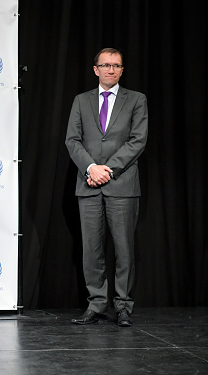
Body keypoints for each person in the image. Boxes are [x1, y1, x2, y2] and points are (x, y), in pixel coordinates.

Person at [65, 48, 148, 327]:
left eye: (116, 66)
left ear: (122, 70)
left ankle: (123, 306)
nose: (111, 70)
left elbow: (138, 140)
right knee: (92, 250)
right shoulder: (80, 100)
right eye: (106, 65)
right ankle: (97, 304)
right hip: (88, 183)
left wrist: (108, 170)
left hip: (121, 184)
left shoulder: (136, 99)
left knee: (124, 249)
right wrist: (91, 168)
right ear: (95, 69)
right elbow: (72, 140)